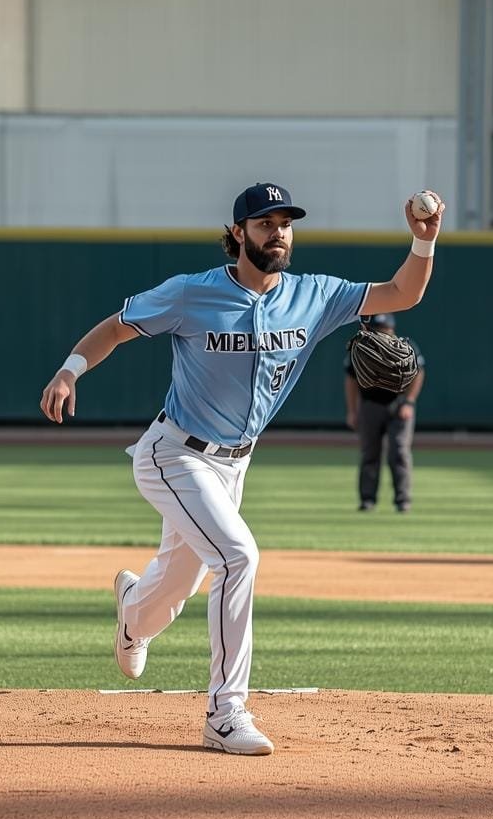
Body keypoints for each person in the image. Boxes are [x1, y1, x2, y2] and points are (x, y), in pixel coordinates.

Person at [40, 182, 444, 755]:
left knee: (177, 584)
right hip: (174, 454)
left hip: (233, 466)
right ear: (237, 234)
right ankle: (225, 714)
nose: (277, 232)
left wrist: (423, 241)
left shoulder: (314, 296)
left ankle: (133, 615)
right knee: (237, 557)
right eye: (264, 223)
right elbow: (117, 325)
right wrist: (69, 370)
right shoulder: (190, 294)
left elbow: (402, 293)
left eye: (285, 223)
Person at [344, 313, 426, 513]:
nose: (383, 332)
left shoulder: (406, 347)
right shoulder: (363, 348)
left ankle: (402, 500)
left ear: (392, 328)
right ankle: (367, 500)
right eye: (379, 329)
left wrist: (409, 402)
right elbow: (351, 379)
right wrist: (353, 410)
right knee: (370, 453)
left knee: (399, 451)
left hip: (399, 405)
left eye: (385, 329)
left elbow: (419, 373)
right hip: (370, 404)